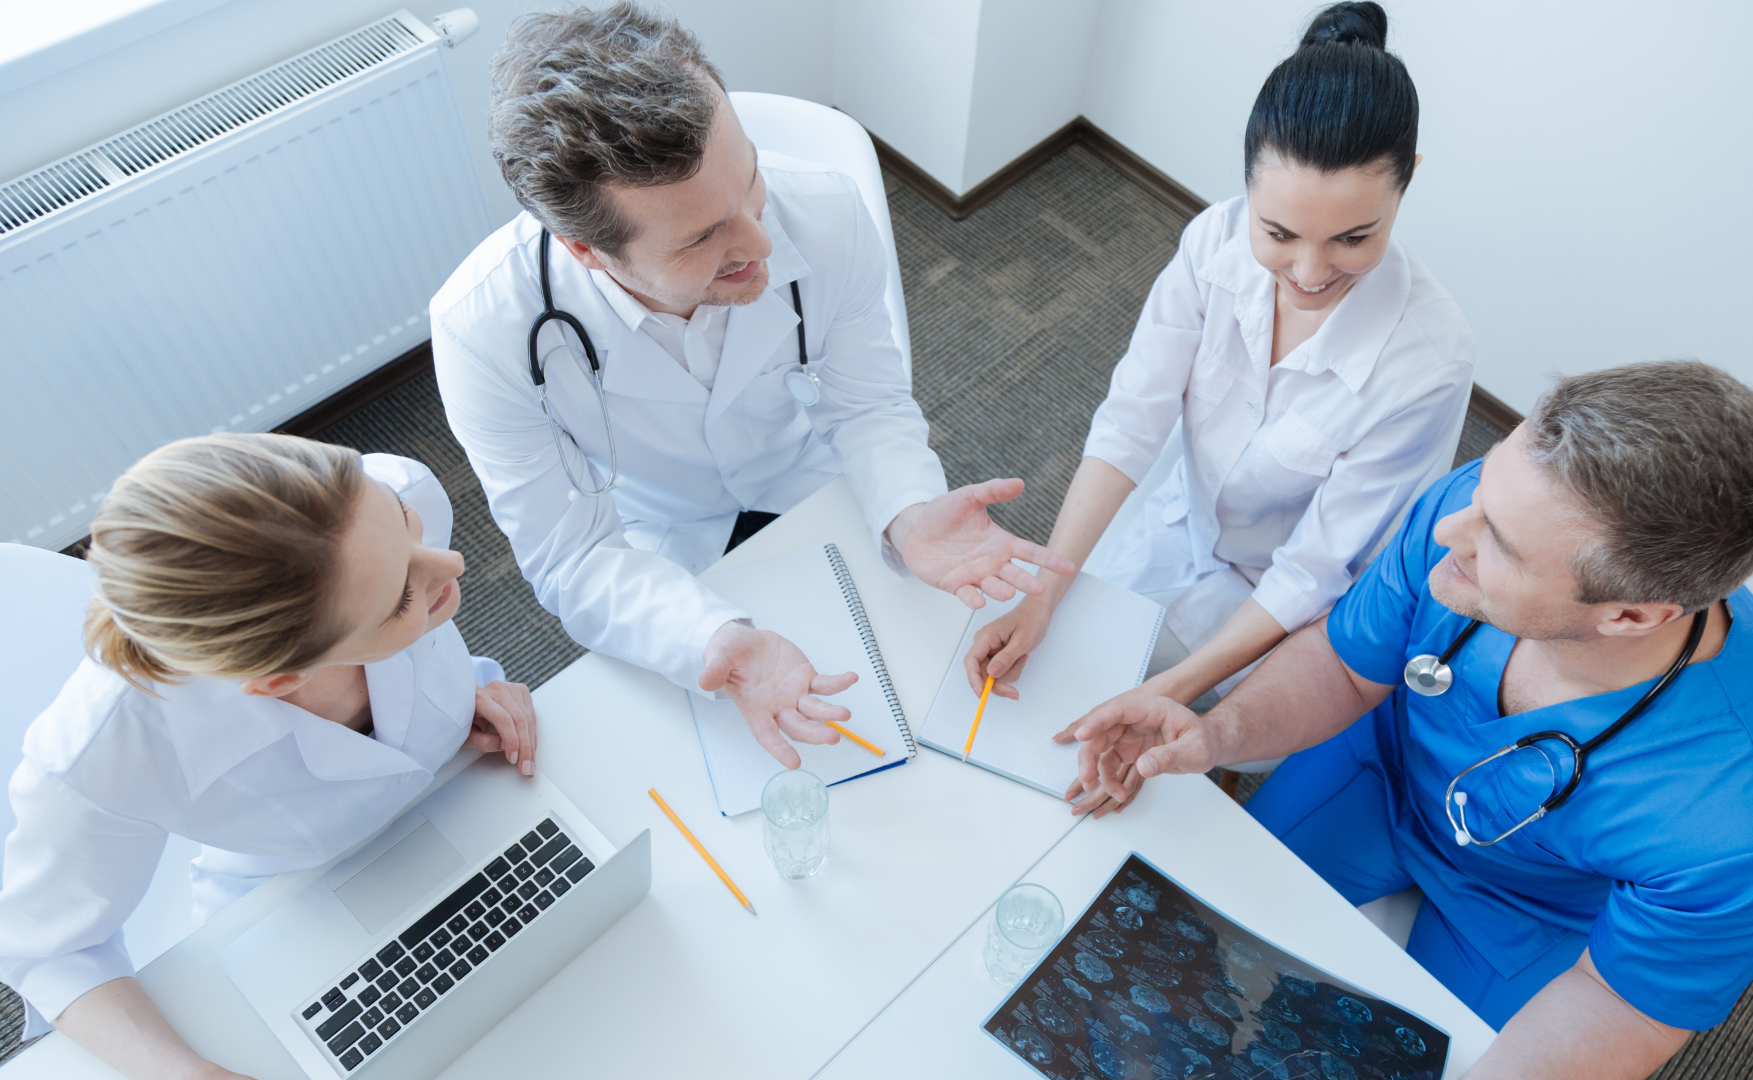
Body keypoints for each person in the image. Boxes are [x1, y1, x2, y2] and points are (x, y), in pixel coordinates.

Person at [1060, 362, 1753, 1075]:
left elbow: (1624, 1007)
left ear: (1629, 616)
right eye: (1482, 492)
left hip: (1535, 909)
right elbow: (1345, 664)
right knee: (1169, 944)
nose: (1448, 528)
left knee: (1345, 1056)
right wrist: (1219, 733)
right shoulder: (1482, 509)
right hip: (1383, 771)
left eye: (1499, 545)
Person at [433, 4, 1071, 770]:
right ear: (588, 252)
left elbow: (866, 404)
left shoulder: (827, 211)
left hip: (812, 484)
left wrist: (906, 512)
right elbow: (573, 558)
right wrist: (715, 639)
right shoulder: (485, 332)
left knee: (932, 712)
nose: (762, 243)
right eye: (704, 236)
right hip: (656, 545)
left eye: (752, 181)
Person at [967, 2, 1472, 734]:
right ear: (1247, 182)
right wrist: (1042, 593)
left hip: (1288, 610)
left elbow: (1313, 570)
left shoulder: (1429, 362)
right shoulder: (1214, 243)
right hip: (1180, 527)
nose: (1308, 271)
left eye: (1353, 238)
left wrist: (1172, 691)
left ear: (1407, 182)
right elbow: (1132, 418)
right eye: (1278, 231)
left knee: (1195, 749)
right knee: (1051, 678)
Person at [0, 435, 537, 1080]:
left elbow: (409, 591)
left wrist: (462, 698)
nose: (449, 565)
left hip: (473, 803)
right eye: (400, 598)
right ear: (280, 680)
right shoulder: (108, 751)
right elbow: (50, 952)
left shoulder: (390, 495)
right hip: (292, 909)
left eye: (400, 520)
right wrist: (182, 1073)